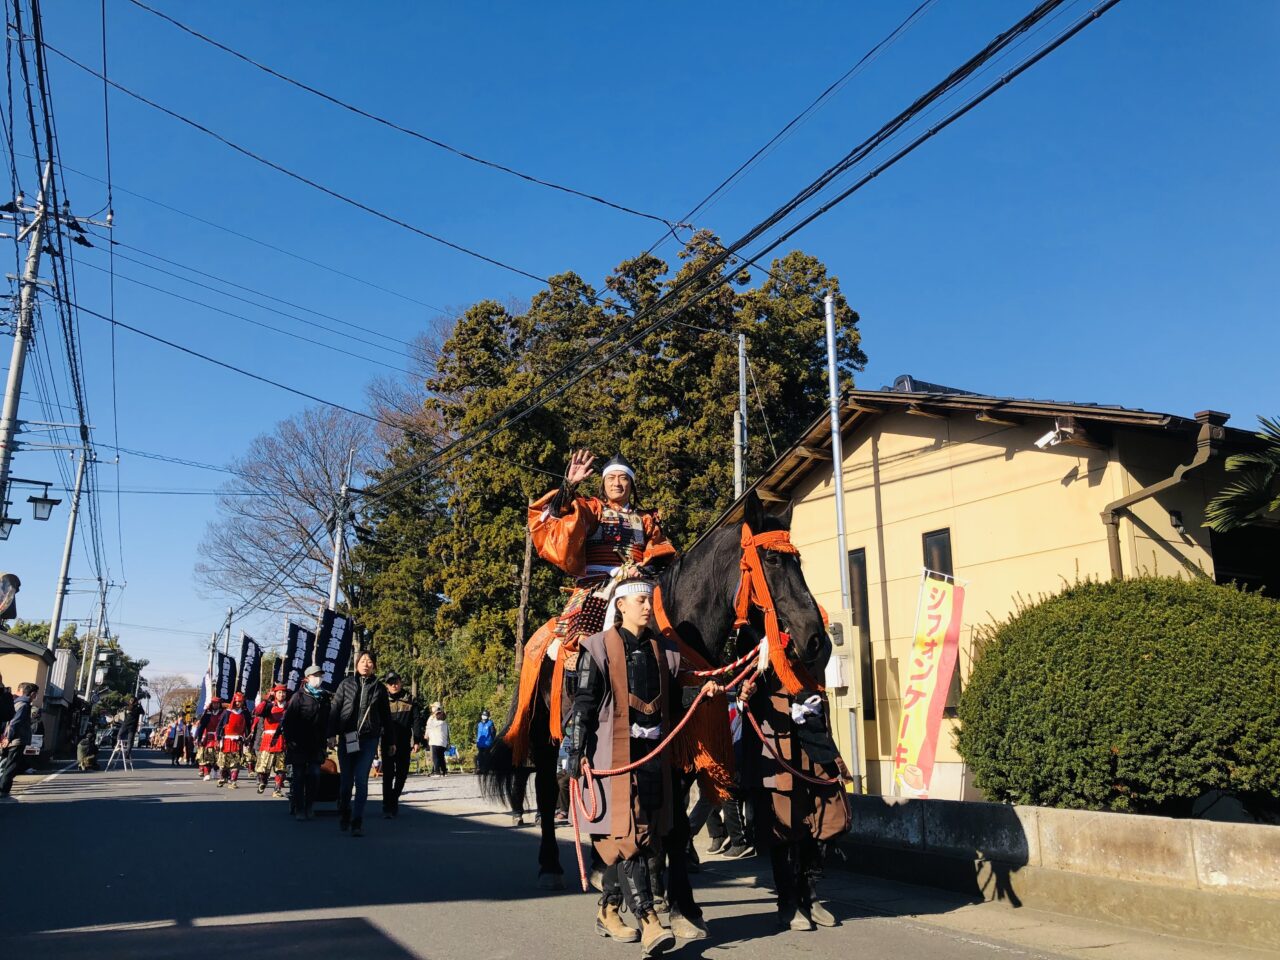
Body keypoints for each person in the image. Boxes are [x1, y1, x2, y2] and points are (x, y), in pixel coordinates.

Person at [566, 576, 719, 956]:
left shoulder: (665, 651)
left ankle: (607, 908)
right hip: (613, 760)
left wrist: (703, 690)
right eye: (640, 601)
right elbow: (584, 703)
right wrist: (573, 749)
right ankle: (650, 920)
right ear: (620, 605)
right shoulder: (597, 647)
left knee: (646, 836)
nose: (648, 607)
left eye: (650, 600)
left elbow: (673, 697)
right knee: (630, 837)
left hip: (654, 758)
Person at [329, 650, 391, 837]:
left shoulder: (379, 688)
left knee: (361, 780)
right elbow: (335, 709)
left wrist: (391, 741)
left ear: (374, 666)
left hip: (369, 739)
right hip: (348, 737)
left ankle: (357, 821)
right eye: (362, 661)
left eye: (370, 661)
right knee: (346, 782)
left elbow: (386, 716)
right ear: (356, 664)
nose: (366, 664)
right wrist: (331, 734)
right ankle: (345, 811)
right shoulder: (346, 684)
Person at [283, 664, 330, 821]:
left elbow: (326, 721)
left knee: (315, 775)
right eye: (315, 675)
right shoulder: (299, 696)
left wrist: (329, 738)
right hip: (299, 743)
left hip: (317, 744)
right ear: (307, 678)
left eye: (320, 675)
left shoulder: (324, 697)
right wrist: (289, 740)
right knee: (299, 776)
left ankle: (310, 805)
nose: (318, 678)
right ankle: (300, 808)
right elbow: (288, 721)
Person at [380, 671, 419, 818]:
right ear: (387, 685)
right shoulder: (382, 699)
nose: (394, 685)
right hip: (387, 741)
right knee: (388, 774)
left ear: (401, 682)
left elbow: (416, 721)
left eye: (396, 682)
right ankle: (387, 803)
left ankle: (394, 798)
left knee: (402, 774)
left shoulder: (410, 699)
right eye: (390, 683)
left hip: (403, 742)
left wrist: (417, 740)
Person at [0, 682, 38, 799]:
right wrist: (8, 737)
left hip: (10, 739)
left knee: (5, 763)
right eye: (35, 695)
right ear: (32, 694)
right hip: (16, 740)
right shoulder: (24, 705)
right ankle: (3, 789)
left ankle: (4, 788)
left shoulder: (15, 702)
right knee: (12, 765)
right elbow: (14, 722)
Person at [253, 684, 289, 797]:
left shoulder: (289, 707)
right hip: (268, 740)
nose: (282, 694)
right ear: (275, 694)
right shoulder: (269, 706)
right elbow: (257, 712)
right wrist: (266, 700)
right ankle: (263, 782)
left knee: (281, 768)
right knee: (263, 767)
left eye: (283, 692)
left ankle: (277, 789)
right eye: (279, 692)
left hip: (282, 740)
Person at [214, 692, 253, 788]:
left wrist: (248, 739)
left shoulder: (245, 713)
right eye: (236, 702)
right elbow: (219, 726)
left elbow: (248, 727)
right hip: (226, 740)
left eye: (240, 702)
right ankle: (223, 777)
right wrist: (218, 738)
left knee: (236, 762)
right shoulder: (227, 712)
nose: (238, 704)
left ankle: (233, 781)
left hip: (238, 741)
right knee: (223, 761)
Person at [194, 697, 224, 781]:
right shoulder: (207, 714)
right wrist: (198, 738)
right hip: (209, 738)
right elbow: (201, 727)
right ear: (212, 704)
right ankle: (207, 773)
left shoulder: (223, 714)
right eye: (214, 703)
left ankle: (216, 770)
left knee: (218, 756)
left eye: (217, 703)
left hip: (219, 737)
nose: (215, 705)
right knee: (208, 756)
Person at [426, 706, 449, 776]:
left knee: (435, 758)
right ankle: (444, 771)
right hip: (443, 743)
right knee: (441, 757)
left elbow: (429, 723)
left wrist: (433, 714)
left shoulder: (436, 723)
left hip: (435, 742)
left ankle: (437, 772)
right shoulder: (445, 724)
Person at [474, 708, 496, 774]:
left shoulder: (487, 723)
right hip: (483, 743)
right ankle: (482, 768)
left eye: (485, 715)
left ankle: (483, 768)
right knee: (483, 755)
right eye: (483, 715)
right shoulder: (481, 724)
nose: (484, 717)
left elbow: (493, 732)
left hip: (484, 743)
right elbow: (478, 733)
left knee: (484, 755)